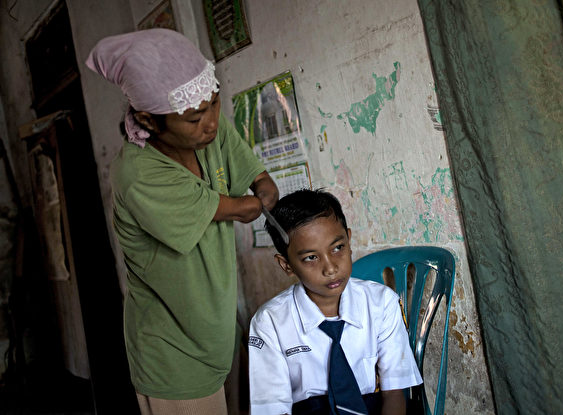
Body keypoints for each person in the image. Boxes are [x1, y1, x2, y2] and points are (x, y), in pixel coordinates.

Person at [85, 29, 278, 415]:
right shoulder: (138, 174)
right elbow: (237, 208)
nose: (209, 122)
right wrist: (257, 203)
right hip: (173, 353)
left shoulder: (206, 125)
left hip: (219, 334)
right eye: (193, 118)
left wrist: (265, 187)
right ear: (148, 120)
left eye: (215, 104)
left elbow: (257, 180)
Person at [248, 189, 422, 415]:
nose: (330, 268)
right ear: (286, 265)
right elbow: (273, 409)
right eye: (311, 257)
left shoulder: (381, 304)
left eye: (338, 248)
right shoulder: (270, 323)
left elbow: (394, 393)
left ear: (349, 240)